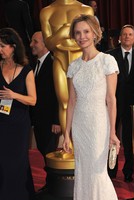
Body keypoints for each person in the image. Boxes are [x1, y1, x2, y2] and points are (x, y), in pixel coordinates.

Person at [63, 14, 134, 200]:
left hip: (98, 125)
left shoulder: (107, 61)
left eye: (86, 32)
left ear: (95, 34)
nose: (82, 37)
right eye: (77, 33)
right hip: (80, 126)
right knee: (84, 176)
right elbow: (71, 102)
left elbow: (111, 99)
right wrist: (66, 133)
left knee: (98, 176)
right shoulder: (73, 66)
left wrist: (112, 133)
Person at [39, 0, 93, 143]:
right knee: (64, 102)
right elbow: (49, 44)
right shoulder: (47, 11)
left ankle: (82, 142)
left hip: (82, 59)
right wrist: (62, 33)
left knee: (84, 102)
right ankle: (68, 143)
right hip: (60, 59)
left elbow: (91, 38)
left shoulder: (85, 9)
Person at [0, 27, 36, 200]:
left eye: (2, 46)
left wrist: (14, 95)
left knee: (18, 159)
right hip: (1, 121)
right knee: (2, 159)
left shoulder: (26, 70)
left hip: (19, 123)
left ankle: (21, 196)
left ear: (13, 47)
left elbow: (33, 100)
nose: (0, 49)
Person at [108, 25, 134, 181]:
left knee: (130, 141)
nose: (127, 37)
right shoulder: (109, 56)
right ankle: (111, 171)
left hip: (132, 106)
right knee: (111, 138)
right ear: (119, 38)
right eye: (124, 34)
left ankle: (129, 171)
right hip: (112, 105)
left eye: (130, 34)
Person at [30, 31, 61, 160]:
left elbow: (59, 94)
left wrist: (57, 120)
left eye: (35, 41)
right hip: (38, 120)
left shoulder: (55, 64)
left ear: (46, 44)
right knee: (43, 151)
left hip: (50, 122)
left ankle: (52, 180)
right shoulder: (33, 64)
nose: (31, 44)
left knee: (49, 154)